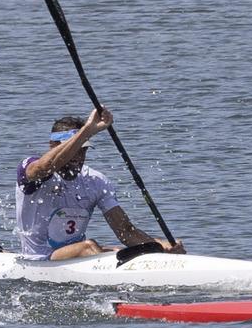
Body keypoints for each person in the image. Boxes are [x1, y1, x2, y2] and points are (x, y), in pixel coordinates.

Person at [14, 109, 182, 259]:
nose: (78, 157)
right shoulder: (30, 168)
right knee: (89, 246)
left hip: (76, 254)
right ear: (52, 146)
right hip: (38, 259)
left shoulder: (96, 181)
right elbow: (46, 167)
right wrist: (88, 129)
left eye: (83, 149)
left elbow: (126, 231)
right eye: (74, 149)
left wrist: (160, 248)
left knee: (122, 250)